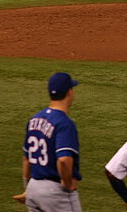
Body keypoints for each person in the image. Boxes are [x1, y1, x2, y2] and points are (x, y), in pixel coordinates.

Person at [13, 72, 82, 212]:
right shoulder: (64, 123)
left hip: (33, 189)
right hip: (55, 192)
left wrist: (27, 189)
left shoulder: (34, 119)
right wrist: (67, 183)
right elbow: (63, 159)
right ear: (69, 92)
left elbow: (27, 159)